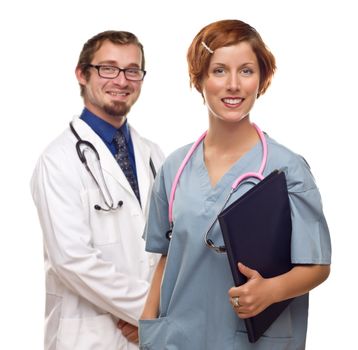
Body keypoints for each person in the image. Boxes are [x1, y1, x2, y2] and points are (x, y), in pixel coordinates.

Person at [139, 19, 331, 349]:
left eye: (246, 71)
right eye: (218, 71)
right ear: (199, 79)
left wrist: (271, 291)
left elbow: (317, 266)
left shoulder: (287, 169)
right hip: (177, 339)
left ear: (262, 80)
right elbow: (167, 258)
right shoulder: (175, 167)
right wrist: (148, 328)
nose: (233, 85)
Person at [30, 30, 164, 350]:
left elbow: (172, 247)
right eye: (108, 68)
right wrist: (150, 310)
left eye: (133, 70)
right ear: (82, 74)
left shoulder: (154, 155)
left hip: (153, 336)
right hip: (90, 338)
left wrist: (159, 315)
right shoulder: (57, 160)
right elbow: (72, 260)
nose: (122, 80)